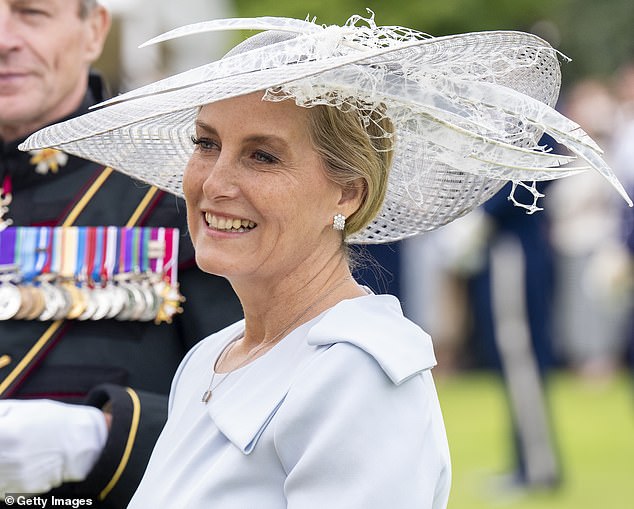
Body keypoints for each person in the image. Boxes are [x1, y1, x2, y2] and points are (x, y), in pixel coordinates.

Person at [20, 13, 632, 509]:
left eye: (262, 156)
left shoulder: (358, 375)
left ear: (347, 192)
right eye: (207, 144)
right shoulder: (211, 358)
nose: (215, 182)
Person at [0, 1, 242, 507]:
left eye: (31, 13)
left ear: (93, 31)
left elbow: (253, 414)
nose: (4, 40)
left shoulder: (181, 189)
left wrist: (99, 438)